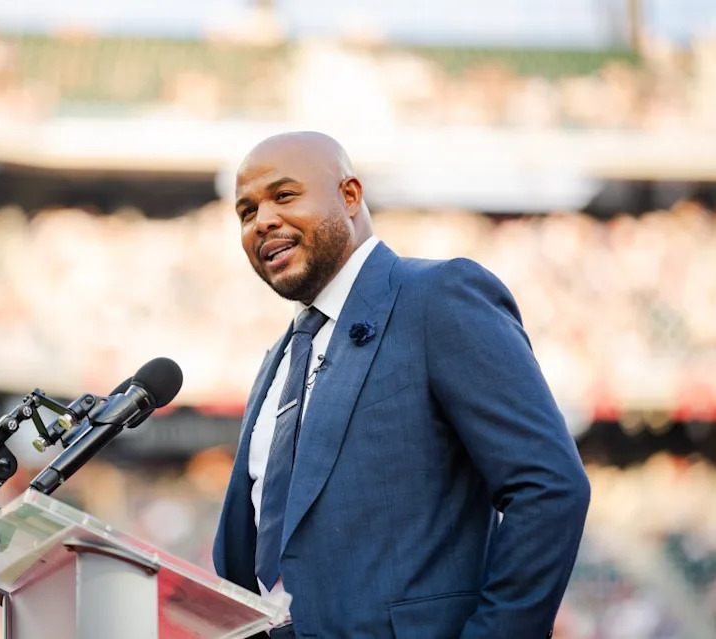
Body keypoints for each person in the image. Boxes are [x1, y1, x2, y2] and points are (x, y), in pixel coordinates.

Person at [213, 131, 590, 639]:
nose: (263, 221)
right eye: (245, 212)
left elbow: (549, 487)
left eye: (283, 196)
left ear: (349, 196)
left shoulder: (438, 297)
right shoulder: (277, 361)